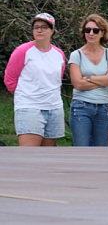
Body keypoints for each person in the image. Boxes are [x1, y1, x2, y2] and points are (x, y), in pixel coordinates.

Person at [4, 14, 66, 147]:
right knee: (29, 156)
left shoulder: (59, 54)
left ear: (52, 30)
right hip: (29, 108)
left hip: (54, 108)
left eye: (43, 27)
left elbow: (57, 79)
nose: (39, 30)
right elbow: (10, 79)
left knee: (48, 157)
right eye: (36, 27)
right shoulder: (22, 51)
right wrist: (25, 97)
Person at [69, 15, 108, 147]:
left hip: (105, 106)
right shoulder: (76, 55)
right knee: (81, 149)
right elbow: (77, 84)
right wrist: (103, 80)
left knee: (102, 150)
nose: (91, 33)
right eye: (87, 30)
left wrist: (89, 78)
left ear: (102, 33)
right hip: (81, 107)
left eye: (95, 30)